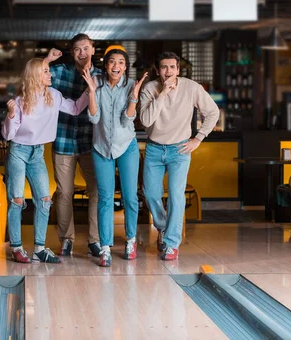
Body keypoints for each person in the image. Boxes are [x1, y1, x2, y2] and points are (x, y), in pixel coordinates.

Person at [1, 58, 89, 264]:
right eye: (46, 72)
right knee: (17, 200)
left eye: (49, 71)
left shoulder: (54, 96)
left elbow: (75, 108)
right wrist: (11, 115)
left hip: (37, 153)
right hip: (18, 151)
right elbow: (7, 135)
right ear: (35, 76)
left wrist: (89, 89)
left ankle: (39, 249)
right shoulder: (21, 101)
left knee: (44, 200)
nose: (50, 75)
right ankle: (16, 248)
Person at [139, 52, 219, 261]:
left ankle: (172, 243)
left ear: (178, 69)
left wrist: (198, 138)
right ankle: (163, 228)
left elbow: (213, 112)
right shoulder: (149, 89)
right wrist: (163, 93)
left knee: (176, 195)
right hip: (154, 149)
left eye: (172, 67)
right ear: (157, 70)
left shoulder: (191, 88)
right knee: (150, 195)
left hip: (180, 150)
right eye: (164, 67)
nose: (168, 72)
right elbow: (146, 120)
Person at [82, 46, 148, 267]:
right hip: (101, 147)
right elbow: (93, 118)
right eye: (112, 61)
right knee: (105, 198)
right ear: (106, 64)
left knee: (130, 197)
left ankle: (130, 240)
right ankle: (105, 247)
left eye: (120, 62)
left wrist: (134, 98)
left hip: (126, 146)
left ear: (125, 66)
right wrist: (91, 92)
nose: (116, 66)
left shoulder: (130, 85)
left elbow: (126, 120)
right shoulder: (96, 84)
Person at [44, 34, 102, 257]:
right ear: (72, 53)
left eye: (86, 48)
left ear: (93, 50)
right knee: (64, 192)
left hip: (91, 142)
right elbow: (34, 74)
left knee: (96, 191)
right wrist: (47, 61)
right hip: (64, 140)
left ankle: (94, 240)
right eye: (77, 49)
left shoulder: (101, 76)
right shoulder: (59, 72)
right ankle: (66, 239)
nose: (82, 53)